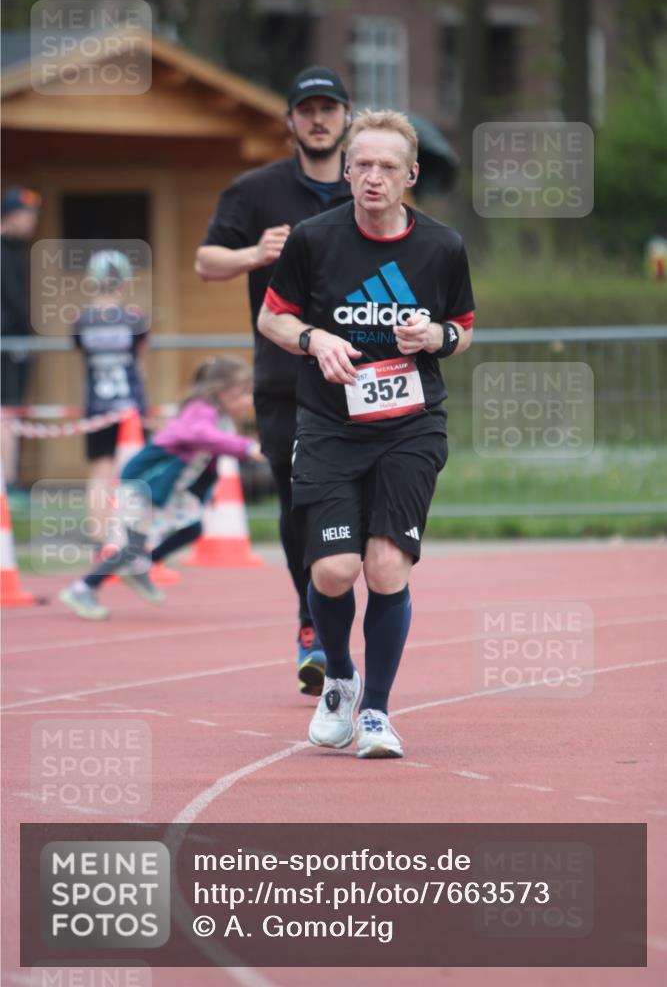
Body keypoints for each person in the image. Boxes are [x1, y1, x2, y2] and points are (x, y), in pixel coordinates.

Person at [257, 110, 475, 759]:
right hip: (328, 423)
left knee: (383, 569)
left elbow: (462, 327)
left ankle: (377, 712)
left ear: (410, 175)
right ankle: (341, 683)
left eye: (387, 167)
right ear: (345, 171)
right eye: (362, 165)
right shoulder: (314, 240)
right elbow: (273, 319)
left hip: (410, 425)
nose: (373, 177)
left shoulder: (440, 247)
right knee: (331, 571)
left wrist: (434, 337)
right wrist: (314, 338)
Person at [195, 66, 353, 697]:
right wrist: (253, 255)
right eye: (306, 109)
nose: (318, 119)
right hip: (285, 378)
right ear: (290, 121)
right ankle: (311, 618)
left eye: (329, 109)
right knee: (297, 503)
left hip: (361, 377)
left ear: (346, 117)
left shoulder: (366, 187)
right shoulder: (255, 191)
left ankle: (336, 601)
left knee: (360, 507)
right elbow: (206, 262)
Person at [59, 356, 264, 620]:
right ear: (222, 392)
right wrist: (246, 447)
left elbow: (210, 455)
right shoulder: (200, 410)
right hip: (144, 484)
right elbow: (201, 435)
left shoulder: (219, 416)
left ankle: (142, 567)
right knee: (132, 547)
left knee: (192, 527)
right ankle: (83, 588)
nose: (249, 401)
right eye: (244, 393)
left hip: (167, 490)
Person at [73, 250, 149, 547]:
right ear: (123, 282)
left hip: (97, 405)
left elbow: (82, 353)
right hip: (130, 405)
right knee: (134, 472)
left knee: (100, 471)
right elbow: (141, 360)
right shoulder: (135, 319)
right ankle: (134, 535)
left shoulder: (81, 320)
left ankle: (99, 535)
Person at [1, 186, 41, 498]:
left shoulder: (15, 248)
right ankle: (9, 481)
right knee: (7, 409)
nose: (31, 222)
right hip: (7, 341)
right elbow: (12, 299)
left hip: (14, 340)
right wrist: (26, 335)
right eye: (25, 215)